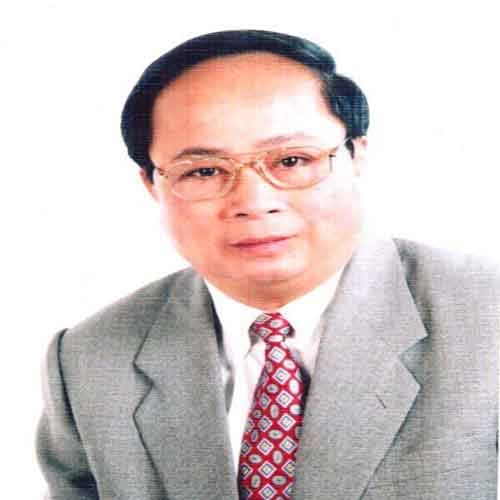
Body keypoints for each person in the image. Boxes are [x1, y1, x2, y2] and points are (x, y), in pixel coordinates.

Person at [36, 30, 498, 500]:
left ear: (356, 154)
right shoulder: (89, 360)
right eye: (204, 171)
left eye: (292, 160)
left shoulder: (487, 319)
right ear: (151, 184)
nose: (255, 203)